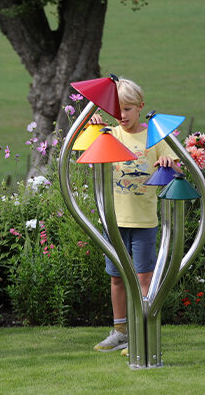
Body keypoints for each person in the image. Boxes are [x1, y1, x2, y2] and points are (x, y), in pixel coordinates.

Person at [89, 78, 181, 355]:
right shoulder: (110, 135)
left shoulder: (154, 136)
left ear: (140, 107)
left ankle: (141, 331)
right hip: (114, 222)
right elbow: (88, 152)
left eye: (128, 109)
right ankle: (120, 332)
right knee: (116, 277)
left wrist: (167, 162)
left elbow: (175, 166)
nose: (123, 115)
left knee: (144, 279)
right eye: (118, 110)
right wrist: (92, 128)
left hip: (144, 222)